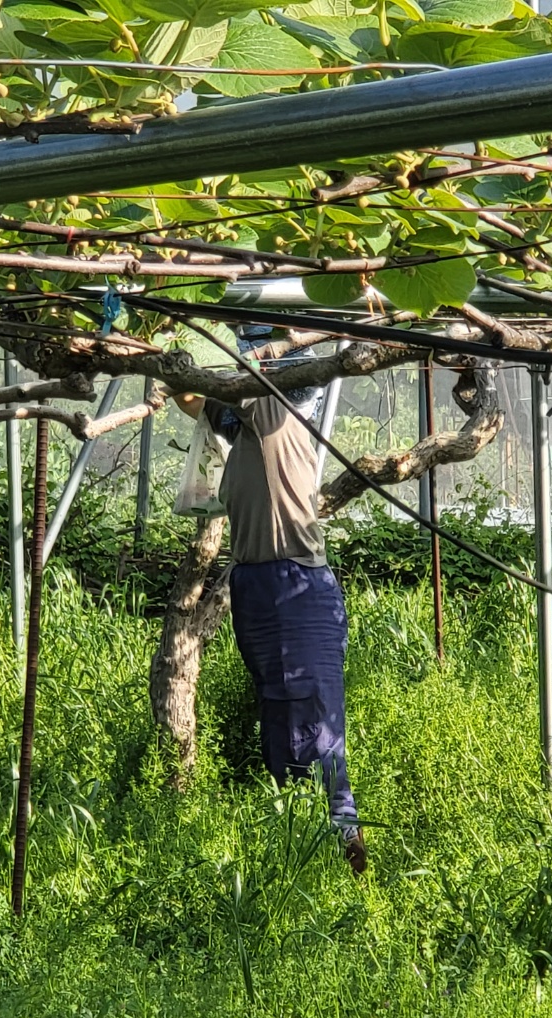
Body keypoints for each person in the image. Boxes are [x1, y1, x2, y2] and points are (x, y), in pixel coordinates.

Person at [176, 324, 366, 874]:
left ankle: (341, 836)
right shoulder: (247, 434)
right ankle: (299, 844)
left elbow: (247, 379)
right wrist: (161, 357)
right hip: (261, 587)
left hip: (294, 589)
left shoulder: (276, 417)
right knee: (280, 717)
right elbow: (195, 401)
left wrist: (262, 338)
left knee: (312, 718)